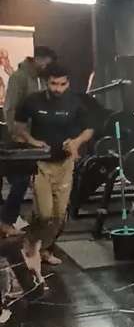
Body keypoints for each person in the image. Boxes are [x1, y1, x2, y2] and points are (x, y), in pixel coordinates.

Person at [14, 62, 93, 266]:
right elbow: (19, 125)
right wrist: (31, 140)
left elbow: (89, 129)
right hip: (41, 164)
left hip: (64, 165)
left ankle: (45, 249)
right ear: (46, 82)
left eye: (62, 84)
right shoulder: (33, 101)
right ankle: (31, 243)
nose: (58, 88)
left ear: (68, 83)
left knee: (59, 216)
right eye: (53, 84)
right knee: (45, 214)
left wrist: (76, 142)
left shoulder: (75, 102)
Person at [0, 46, 57, 237]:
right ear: (38, 59)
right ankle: (6, 221)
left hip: (34, 140)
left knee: (34, 180)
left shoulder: (40, 80)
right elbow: (10, 108)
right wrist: (17, 134)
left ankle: (21, 219)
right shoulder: (19, 77)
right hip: (19, 139)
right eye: (47, 64)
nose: (48, 68)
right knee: (21, 180)